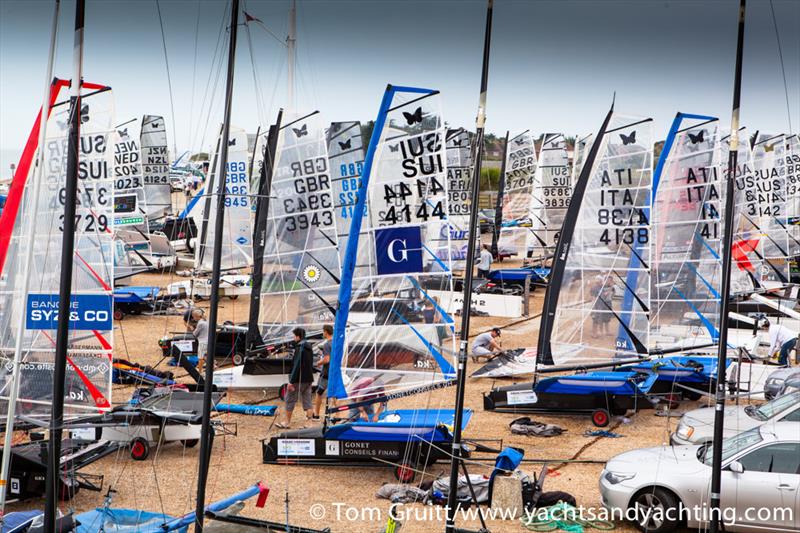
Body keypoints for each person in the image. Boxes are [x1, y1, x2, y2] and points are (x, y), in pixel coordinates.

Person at [278, 328, 315, 429]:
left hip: (299, 379)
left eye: (294, 336)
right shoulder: (309, 346)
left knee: (289, 399)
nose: (294, 338)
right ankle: (309, 423)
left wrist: (291, 381)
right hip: (308, 379)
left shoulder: (300, 347)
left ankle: (286, 422)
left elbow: (297, 365)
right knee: (307, 401)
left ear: (298, 337)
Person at [313, 325, 334, 419]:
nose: (322, 333)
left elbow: (326, 359)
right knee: (334, 394)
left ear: (326, 332)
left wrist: (318, 363)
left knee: (319, 393)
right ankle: (336, 415)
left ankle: (316, 415)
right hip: (334, 372)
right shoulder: (336, 343)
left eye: (323, 331)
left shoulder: (327, 344)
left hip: (326, 372)